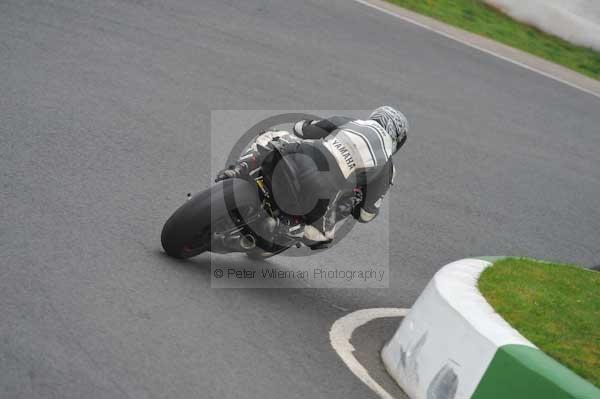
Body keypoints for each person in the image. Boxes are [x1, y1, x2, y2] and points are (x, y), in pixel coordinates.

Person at [215, 106, 408, 247]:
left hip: (296, 155)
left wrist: (313, 127)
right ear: (397, 140)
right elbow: (366, 214)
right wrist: (355, 202)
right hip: (320, 192)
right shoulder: (387, 166)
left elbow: (301, 129)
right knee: (323, 239)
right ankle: (289, 227)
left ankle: (239, 169)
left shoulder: (350, 122)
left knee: (272, 136)